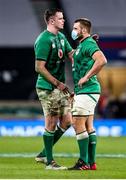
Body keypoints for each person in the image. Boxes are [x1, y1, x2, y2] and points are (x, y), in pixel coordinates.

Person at [34, 8, 73, 170]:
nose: (63, 21)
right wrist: (58, 83)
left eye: (63, 18)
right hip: (47, 87)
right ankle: (49, 162)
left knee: (67, 121)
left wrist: (87, 45)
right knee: (51, 122)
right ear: (51, 21)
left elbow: (72, 54)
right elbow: (39, 67)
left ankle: (43, 153)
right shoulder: (44, 39)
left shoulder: (62, 37)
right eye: (60, 18)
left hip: (59, 87)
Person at [68, 18, 107, 170]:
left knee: (77, 124)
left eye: (76, 28)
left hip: (88, 89)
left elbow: (102, 60)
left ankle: (83, 162)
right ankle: (91, 163)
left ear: (84, 30)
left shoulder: (88, 43)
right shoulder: (84, 44)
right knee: (88, 126)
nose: (73, 31)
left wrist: (86, 77)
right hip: (84, 91)